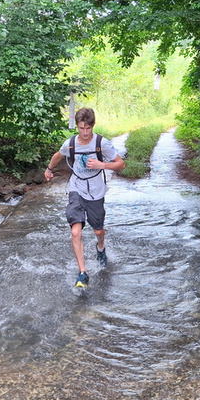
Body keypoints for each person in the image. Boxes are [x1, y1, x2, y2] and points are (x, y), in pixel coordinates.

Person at [44, 108, 125, 288]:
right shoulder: (71, 144)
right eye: (82, 128)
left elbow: (121, 164)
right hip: (77, 187)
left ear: (93, 126)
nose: (85, 133)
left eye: (88, 128)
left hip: (96, 190)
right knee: (75, 231)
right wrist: (49, 169)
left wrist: (101, 164)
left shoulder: (101, 143)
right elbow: (58, 155)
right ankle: (83, 273)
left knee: (98, 231)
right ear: (78, 127)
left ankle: (101, 248)